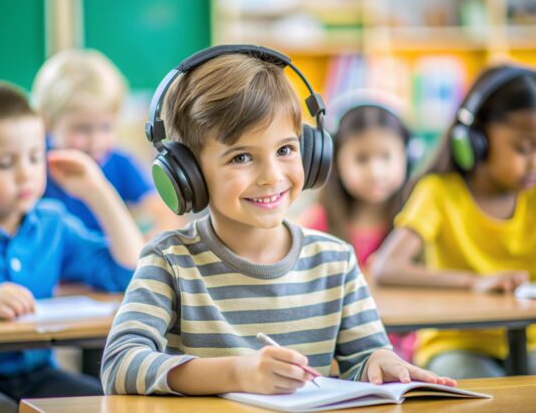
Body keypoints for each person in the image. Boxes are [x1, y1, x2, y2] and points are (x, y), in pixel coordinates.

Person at [100, 45, 455, 396]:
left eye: (285, 150)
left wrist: (380, 362)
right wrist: (237, 373)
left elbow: (364, 357)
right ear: (187, 174)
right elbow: (119, 364)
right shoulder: (170, 261)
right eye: (241, 157)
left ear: (312, 152)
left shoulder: (336, 262)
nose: (271, 176)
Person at [0, 80, 144, 412]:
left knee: (116, 405)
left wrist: (98, 191)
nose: (25, 174)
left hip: (37, 375)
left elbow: (128, 273)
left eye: (34, 157)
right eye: (4, 163)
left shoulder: (51, 223)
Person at [372, 65, 536, 379]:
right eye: (523, 148)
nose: (534, 163)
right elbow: (387, 267)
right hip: (456, 345)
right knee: (476, 388)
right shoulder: (439, 193)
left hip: (528, 341)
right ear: (475, 139)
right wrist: (475, 282)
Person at [298, 91, 416, 362]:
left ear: (407, 157)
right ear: (335, 162)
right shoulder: (318, 222)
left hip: (407, 348)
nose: (376, 171)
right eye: (362, 159)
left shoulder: (415, 220)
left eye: (386, 157)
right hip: (339, 351)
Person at [31, 49, 185, 238]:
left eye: (106, 127)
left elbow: (166, 215)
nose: (96, 141)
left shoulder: (119, 162)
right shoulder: (35, 166)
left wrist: (143, 249)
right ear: (48, 123)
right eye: (82, 129)